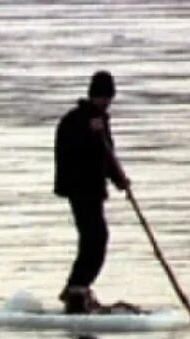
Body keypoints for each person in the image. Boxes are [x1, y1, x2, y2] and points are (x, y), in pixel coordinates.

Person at [54, 71, 130, 314]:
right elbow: (72, 152)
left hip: (94, 189)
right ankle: (76, 289)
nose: (106, 102)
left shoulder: (100, 120)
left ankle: (79, 287)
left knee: (96, 238)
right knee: (94, 238)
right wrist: (91, 134)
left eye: (108, 98)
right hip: (79, 188)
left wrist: (121, 182)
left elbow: (107, 157)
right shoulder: (75, 120)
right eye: (103, 97)